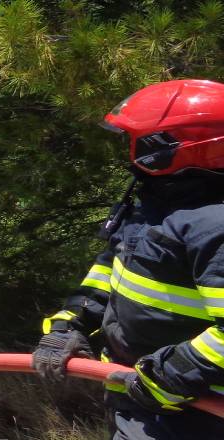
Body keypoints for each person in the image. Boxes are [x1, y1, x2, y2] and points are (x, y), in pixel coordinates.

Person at [31, 79, 224, 438]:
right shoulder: (158, 205)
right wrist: (69, 325)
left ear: (169, 147)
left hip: (197, 413)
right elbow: (112, 267)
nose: (130, 151)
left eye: (139, 141)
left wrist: (173, 374)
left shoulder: (213, 225)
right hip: (141, 398)